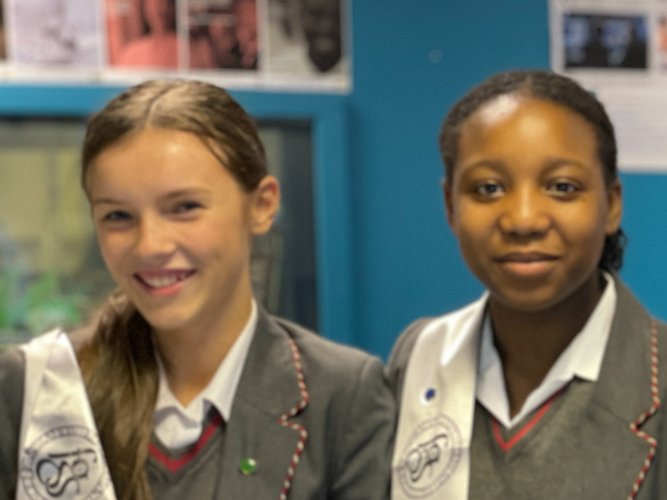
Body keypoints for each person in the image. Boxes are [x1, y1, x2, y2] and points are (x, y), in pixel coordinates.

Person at [384, 70, 667, 499]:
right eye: (488, 188)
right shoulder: (420, 356)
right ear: (450, 205)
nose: (524, 219)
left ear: (611, 204)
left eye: (562, 187)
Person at [0, 79, 394, 499]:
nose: (150, 245)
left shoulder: (341, 397)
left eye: (185, 207)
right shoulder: (40, 386)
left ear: (262, 205)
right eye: (118, 216)